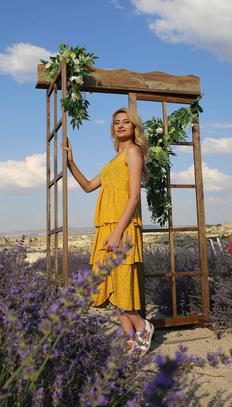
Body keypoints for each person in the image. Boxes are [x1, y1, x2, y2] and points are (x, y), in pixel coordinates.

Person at [65, 107, 154, 354]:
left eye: (126, 122)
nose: (121, 125)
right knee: (111, 281)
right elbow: (88, 186)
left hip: (122, 227)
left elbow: (134, 196)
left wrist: (117, 232)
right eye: (117, 122)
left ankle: (142, 326)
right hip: (107, 226)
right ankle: (129, 339)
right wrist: (71, 162)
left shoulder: (134, 153)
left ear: (135, 127)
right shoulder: (113, 161)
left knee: (123, 281)